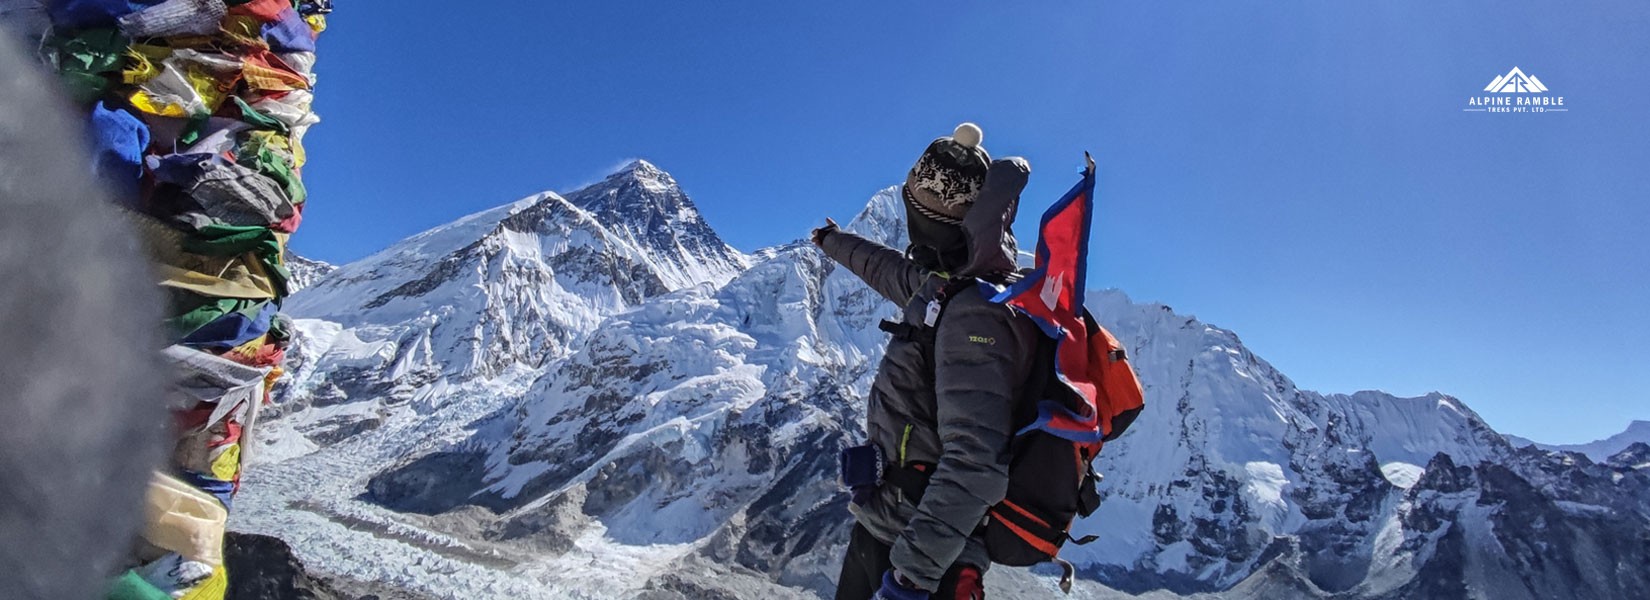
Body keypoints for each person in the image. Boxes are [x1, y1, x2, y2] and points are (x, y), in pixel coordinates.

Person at [813, 124, 1039, 600]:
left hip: (916, 554)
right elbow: (887, 269)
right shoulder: (948, 288)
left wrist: (910, 577)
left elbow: (976, 461)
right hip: (895, 529)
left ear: (929, 224)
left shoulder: (974, 316)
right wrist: (834, 243)